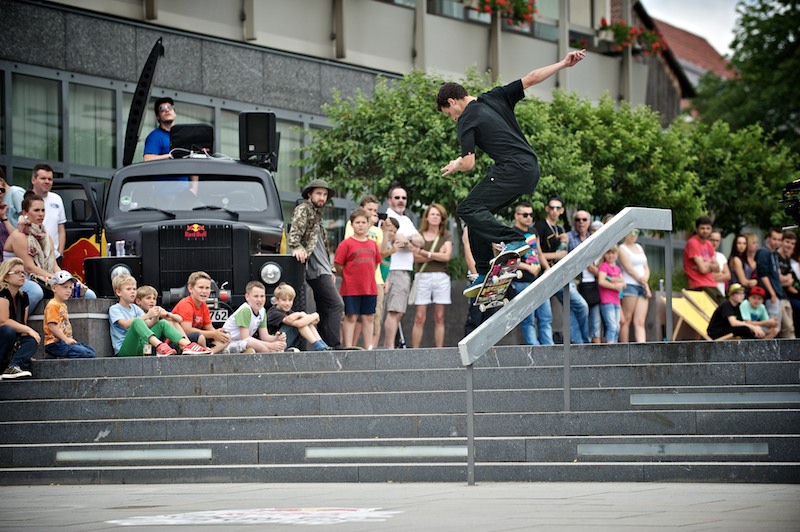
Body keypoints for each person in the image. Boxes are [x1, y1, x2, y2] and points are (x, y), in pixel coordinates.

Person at [437, 49, 586, 295]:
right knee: (477, 218)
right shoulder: (494, 97)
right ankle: (484, 273)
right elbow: (532, 77)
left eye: (449, 114)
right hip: (530, 169)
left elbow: (469, 162)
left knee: (466, 209)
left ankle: (514, 239)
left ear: (452, 102)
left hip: (512, 170)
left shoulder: (465, 120)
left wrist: (456, 164)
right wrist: (562, 63)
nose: (452, 119)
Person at [4, 192, 96, 313]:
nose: (41, 214)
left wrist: (67, 279)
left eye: (43, 210)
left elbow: (54, 266)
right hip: (19, 279)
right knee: (36, 291)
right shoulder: (19, 235)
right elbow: (29, 268)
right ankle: (17, 322)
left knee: (88, 294)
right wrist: (58, 280)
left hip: (45, 279)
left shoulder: (46, 236)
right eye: (36, 210)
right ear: (25, 213)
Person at [287, 179, 344, 350]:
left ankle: (325, 346)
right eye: (319, 193)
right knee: (336, 304)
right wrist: (297, 248)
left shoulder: (317, 214)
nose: (322, 197)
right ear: (310, 194)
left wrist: (331, 269)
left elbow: (322, 246)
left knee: (325, 307)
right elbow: (294, 234)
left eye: (325, 194)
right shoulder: (303, 209)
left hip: (323, 267)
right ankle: (334, 345)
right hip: (314, 268)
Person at [534, 195, 589, 344]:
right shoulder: (539, 226)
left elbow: (564, 255)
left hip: (559, 276)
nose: (554, 210)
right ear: (547, 209)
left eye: (558, 208)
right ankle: (548, 348)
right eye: (552, 207)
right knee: (545, 317)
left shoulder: (560, 229)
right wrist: (556, 254)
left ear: (562, 210)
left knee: (579, 306)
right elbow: (534, 254)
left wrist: (563, 244)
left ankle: (581, 343)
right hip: (543, 275)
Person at [109, 274, 208, 356]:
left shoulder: (135, 308)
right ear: (118, 292)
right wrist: (147, 315)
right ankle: (160, 346)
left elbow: (149, 324)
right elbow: (126, 324)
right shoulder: (115, 309)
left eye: (134, 289)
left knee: (163, 323)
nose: (133, 292)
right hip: (125, 350)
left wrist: (156, 315)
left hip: (141, 347)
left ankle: (187, 345)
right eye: (128, 289)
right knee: (137, 321)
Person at [382, 184, 424, 348]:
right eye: (397, 197)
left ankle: (390, 347)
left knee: (398, 311)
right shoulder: (387, 218)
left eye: (403, 198)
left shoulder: (405, 220)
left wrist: (408, 241)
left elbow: (421, 241)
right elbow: (400, 241)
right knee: (394, 311)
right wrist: (411, 242)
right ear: (389, 200)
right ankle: (389, 348)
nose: (401, 201)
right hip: (393, 269)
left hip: (404, 270)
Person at [334, 208, 382, 349]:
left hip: (370, 288)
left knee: (369, 318)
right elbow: (338, 264)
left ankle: (368, 347)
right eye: (357, 222)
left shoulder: (373, 244)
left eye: (363, 222)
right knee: (351, 317)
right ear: (352, 224)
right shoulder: (346, 244)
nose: (360, 225)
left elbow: (376, 262)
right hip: (351, 288)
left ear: (368, 224)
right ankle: (348, 347)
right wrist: (348, 276)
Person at [509, 202, 552, 346]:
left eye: (531, 215)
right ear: (516, 216)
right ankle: (535, 350)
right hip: (521, 281)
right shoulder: (511, 233)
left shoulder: (533, 231)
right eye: (525, 215)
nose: (529, 218)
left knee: (545, 317)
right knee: (528, 319)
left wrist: (546, 268)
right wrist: (527, 267)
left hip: (538, 279)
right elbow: (508, 260)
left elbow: (538, 252)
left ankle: (549, 349)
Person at [411, 203, 453, 348]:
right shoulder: (419, 235)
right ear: (427, 217)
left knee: (439, 317)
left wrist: (423, 252)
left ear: (442, 218)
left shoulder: (446, 234)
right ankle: (414, 352)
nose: (435, 217)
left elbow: (447, 257)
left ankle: (439, 350)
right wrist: (436, 255)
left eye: (438, 214)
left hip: (441, 277)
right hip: (422, 276)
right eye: (432, 214)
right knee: (419, 317)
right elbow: (414, 258)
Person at [171, 271, 232, 353]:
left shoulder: (203, 305)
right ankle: (206, 354)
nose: (204, 291)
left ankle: (211, 352)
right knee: (200, 337)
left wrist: (218, 334)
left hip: (199, 339)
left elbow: (209, 328)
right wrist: (213, 334)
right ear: (190, 288)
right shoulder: (186, 304)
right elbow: (187, 330)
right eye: (201, 287)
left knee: (227, 336)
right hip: (179, 341)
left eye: (207, 288)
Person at [0, 258, 39, 379]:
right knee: (8, 330)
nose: (22, 275)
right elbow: (3, 321)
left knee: (31, 339)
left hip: (11, 340)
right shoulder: (2, 293)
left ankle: (14, 365)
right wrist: (28, 329)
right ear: (5, 277)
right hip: (3, 335)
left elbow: (22, 324)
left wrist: (25, 351)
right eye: (17, 272)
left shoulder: (23, 296)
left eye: (23, 272)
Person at [42, 271, 96, 359]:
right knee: (88, 353)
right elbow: (52, 326)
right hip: (54, 343)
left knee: (90, 350)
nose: (68, 291)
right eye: (65, 287)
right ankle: (57, 355)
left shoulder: (62, 305)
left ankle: (60, 355)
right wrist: (66, 339)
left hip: (63, 342)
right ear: (54, 288)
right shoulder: (53, 305)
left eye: (70, 288)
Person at [222, 281, 287, 353]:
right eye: (256, 296)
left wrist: (276, 338)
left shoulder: (262, 311)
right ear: (247, 297)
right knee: (254, 344)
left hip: (243, 343)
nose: (259, 300)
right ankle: (270, 356)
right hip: (228, 344)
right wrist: (271, 345)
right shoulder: (245, 310)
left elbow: (264, 336)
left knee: (282, 344)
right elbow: (245, 338)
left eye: (262, 296)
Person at [266, 283, 329, 352]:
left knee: (306, 322)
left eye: (290, 300)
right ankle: (319, 346)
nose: (287, 303)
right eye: (284, 300)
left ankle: (322, 345)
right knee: (300, 323)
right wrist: (305, 314)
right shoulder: (274, 312)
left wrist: (315, 315)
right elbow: (299, 324)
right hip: (274, 343)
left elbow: (314, 321)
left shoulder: (288, 311)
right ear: (276, 301)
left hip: (285, 342)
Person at [618, 229, 651, 343]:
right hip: (630, 284)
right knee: (627, 319)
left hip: (642, 285)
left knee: (640, 320)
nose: (633, 235)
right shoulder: (622, 248)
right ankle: (624, 348)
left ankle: (642, 347)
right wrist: (642, 280)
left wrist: (645, 280)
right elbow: (629, 269)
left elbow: (646, 267)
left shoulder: (639, 247)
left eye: (636, 232)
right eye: (630, 232)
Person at [28, 163, 67, 260]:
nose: (47, 181)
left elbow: (61, 229)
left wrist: (60, 253)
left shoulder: (57, 199)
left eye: (50, 179)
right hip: (32, 254)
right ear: (33, 180)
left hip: (53, 256)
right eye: (43, 178)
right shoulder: (25, 199)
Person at [568, 210, 596, 344]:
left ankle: (583, 342)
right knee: (579, 307)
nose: (581, 222)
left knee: (591, 315)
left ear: (589, 222)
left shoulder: (594, 237)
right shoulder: (568, 237)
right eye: (578, 219)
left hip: (591, 283)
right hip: (573, 280)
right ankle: (583, 342)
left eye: (584, 219)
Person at [683, 216, 724, 304]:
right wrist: (708, 265)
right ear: (697, 229)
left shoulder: (708, 244)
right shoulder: (693, 243)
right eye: (702, 228)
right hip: (698, 285)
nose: (705, 231)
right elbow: (703, 269)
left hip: (712, 284)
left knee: (725, 309)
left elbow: (717, 268)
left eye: (708, 228)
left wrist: (705, 265)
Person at [756, 227, 786, 336]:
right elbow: (763, 275)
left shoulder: (773, 253)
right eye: (774, 239)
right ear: (768, 238)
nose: (776, 242)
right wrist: (772, 293)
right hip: (770, 294)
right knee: (772, 328)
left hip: (776, 293)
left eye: (779, 239)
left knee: (776, 327)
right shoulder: (764, 252)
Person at [597, 246, 625, 344]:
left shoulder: (617, 268)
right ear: (604, 254)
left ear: (617, 254)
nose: (611, 255)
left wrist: (618, 283)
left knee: (617, 327)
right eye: (608, 253)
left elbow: (624, 283)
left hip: (616, 301)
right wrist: (615, 285)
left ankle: (614, 345)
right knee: (612, 326)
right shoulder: (604, 266)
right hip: (607, 300)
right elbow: (601, 281)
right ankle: (610, 346)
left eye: (613, 253)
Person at [775, 230, 797, 338]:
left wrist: (784, 280)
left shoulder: (787, 258)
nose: (790, 245)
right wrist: (784, 280)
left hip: (786, 297)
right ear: (782, 241)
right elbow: (776, 278)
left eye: (793, 243)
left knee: (790, 327)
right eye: (788, 242)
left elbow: (790, 280)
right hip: (777, 296)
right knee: (786, 327)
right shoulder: (775, 256)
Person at [709, 231, 731, 296]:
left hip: (720, 293)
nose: (714, 243)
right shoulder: (703, 255)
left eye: (717, 241)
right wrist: (721, 274)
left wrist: (712, 278)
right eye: (712, 240)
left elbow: (728, 276)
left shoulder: (721, 256)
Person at [0, 172, 17, 251]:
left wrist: (4, 217)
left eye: (2, 190)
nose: (0, 192)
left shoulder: (3, 213)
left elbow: (15, 237)